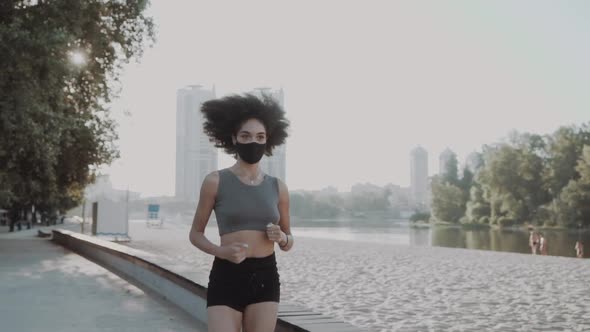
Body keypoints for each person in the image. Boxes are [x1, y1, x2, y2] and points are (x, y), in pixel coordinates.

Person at [188, 93, 293, 332]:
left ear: (268, 141)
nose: (253, 142)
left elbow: (289, 241)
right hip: (226, 275)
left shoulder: (279, 187)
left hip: (266, 276)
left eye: (260, 137)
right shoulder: (215, 181)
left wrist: (282, 238)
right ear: (233, 138)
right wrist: (221, 252)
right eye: (245, 136)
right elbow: (195, 233)